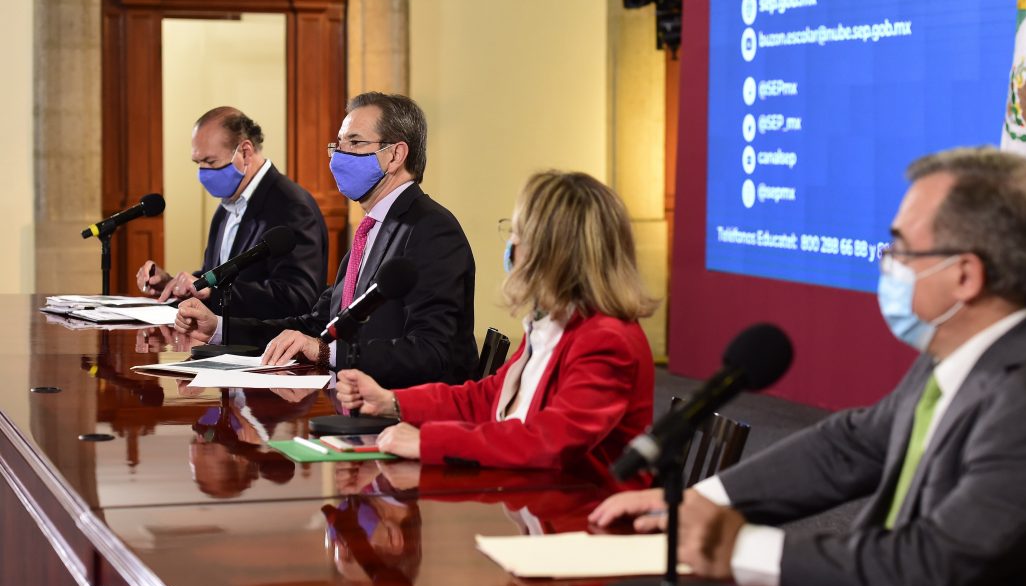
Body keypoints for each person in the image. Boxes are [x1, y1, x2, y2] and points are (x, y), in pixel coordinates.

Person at [590, 147, 1026, 586]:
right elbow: (854, 445)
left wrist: (740, 550)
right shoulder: (967, 341)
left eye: (900, 247)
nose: (887, 261)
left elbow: (931, 565)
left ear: (965, 274)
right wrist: (702, 501)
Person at [335, 171, 657, 474]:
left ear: (551, 253)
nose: (511, 245)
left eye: (517, 233)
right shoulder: (552, 322)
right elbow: (487, 398)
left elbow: (547, 443)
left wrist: (427, 442)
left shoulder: (606, 338)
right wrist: (392, 402)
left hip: (580, 516)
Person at [175, 93, 478, 389]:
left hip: (404, 419)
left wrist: (326, 351)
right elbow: (316, 324)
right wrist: (219, 328)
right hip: (353, 402)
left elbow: (433, 353)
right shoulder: (372, 228)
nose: (339, 156)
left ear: (396, 155)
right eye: (339, 144)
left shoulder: (432, 229)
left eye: (355, 142)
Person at [136, 107, 328, 319]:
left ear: (245, 152)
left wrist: (213, 292)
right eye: (197, 163)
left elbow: (298, 298)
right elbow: (218, 277)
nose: (202, 173)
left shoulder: (291, 206)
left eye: (210, 162)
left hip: (264, 347)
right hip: (224, 342)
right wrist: (173, 284)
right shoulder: (226, 207)